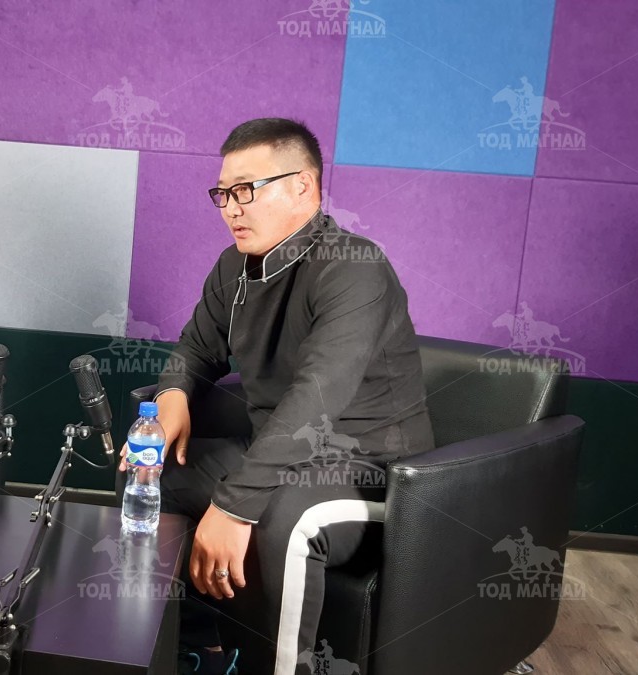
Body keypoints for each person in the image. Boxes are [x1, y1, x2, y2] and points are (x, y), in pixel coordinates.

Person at [120, 118, 435, 674]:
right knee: (148, 473)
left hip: (369, 468)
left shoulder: (356, 269)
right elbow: (196, 348)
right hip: (279, 454)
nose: (230, 208)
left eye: (246, 190)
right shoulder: (233, 266)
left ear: (303, 187)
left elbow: (316, 397)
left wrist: (232, 505)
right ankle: (193, 649)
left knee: (284, 519)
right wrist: (172, 396)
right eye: (223, 193)